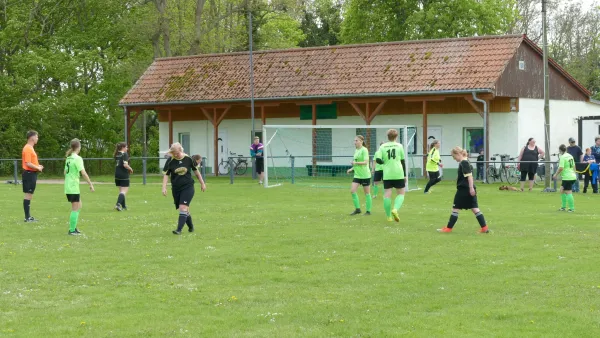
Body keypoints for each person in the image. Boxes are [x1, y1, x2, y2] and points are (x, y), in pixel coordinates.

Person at [438, 147, 489, 233]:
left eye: (454, 157)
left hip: (464, 190)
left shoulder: (464, 163)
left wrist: (471, 188)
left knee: (455, 208)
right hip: (468, 189)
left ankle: (448, 228)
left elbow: (469, 176)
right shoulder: (467, 161)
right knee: (475, 208)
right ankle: (484, 228)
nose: (454, 159)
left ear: (458, 154)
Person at [162, 142, 206, 235]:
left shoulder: (188, 159)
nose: (176, 155)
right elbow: (166, 175)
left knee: (183, 207)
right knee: (184, 209)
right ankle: (191, 227)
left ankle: (179, 230)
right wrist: (164, 187)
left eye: (177, 153)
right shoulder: (170, 161)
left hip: (188, 186)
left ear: (181, 150)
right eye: (174, 153)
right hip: (176, 188)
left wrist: (202, 183)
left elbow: (196, 172)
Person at [64, 139, 95, 235]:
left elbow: (65, 172)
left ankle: (74, 227)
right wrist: (90, 184)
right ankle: (72, 230)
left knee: (79, 205)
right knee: (75, 208)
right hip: (73, 187)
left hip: (68, 186)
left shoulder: (68, 158)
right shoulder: (77, 158)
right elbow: (83, 173)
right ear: (79, 147)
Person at [375, 129, 406, 222]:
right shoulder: (399, 146)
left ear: (387, 137)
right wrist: (404, 175)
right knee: (401, 193)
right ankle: (395, 209)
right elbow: (402, 161)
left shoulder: (382, 146)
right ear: (396, 137)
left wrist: (384, 162)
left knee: (387, 195)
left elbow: (378, 160)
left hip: (387, 173)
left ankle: (388, 217)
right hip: (398, 173)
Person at [347, 135, 372, 215]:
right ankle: (358, 209)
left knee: (367, 193)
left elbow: (365, 162)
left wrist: (355, 163)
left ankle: (368, 211)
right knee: (353, 191)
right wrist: (351, 169)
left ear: (361, 141)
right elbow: (356, 163)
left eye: (356, 140)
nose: (355, 142)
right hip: (357, 175)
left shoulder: (364, 150)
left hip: (365, 175)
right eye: (354, 140)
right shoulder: (356, 150)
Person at [22, 130, 44, 222]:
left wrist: (38, 166)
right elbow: (28, 163)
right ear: (32, 138)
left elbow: (32, 162)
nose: (37, 138)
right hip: (29, 174)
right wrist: (37, 168)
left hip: (32, 173)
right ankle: (27, 217)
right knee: (28, 195)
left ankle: (28, 217)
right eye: (37, 137)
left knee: (29, 195)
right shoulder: (28, 148)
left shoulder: (31, 148)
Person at [553, 144, 576, 212]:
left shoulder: (563, 157)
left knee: (568, 192)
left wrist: (555, 174)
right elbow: (574, 166)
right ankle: (563, 207)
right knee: (562, 190)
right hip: (572, 176)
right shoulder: (570, 156)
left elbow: (561, 168)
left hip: (567, 177)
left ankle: (571, 208)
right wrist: (574, 173)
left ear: (560, 150)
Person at [114, 142, 133, 211]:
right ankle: (118, 204)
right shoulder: (124, 154)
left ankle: (124, 206)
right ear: (123, 147)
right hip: (123, 174)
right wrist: (130, 168)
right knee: (124, 191)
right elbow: (125, 165)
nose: (127, 149)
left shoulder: (117, 154)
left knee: (121, 191)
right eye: (126, 147)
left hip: (117, 174)